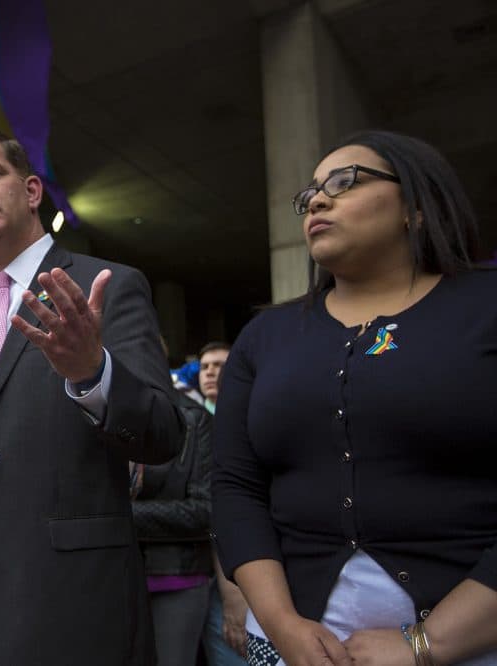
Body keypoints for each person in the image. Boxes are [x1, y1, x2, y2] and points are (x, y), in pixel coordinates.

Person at [0, 128, 184, 664]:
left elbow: (164, 434)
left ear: (30, 191)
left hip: (70, 609)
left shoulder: (107, 284)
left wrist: (92, 373)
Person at [212, 130, 497, 666]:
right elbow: (235, 485)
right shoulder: (265, 336)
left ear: (415, 205)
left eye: (344, 182)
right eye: (310, 194)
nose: (317, 200)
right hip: (290, 643)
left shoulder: (486, 308)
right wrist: (282, 626)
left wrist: (427, 644)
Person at [131, 340, 214, 666]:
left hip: (178, 577)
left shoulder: (194, 418)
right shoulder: (88, 413)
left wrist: (121, 516)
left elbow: (206, 510)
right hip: (109, 578)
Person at [197, 341, 250, 666]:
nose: (211, 373)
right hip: (200, 574)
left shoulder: (252, 421)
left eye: (220, 365)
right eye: (205, 367)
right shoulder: (187, 421)